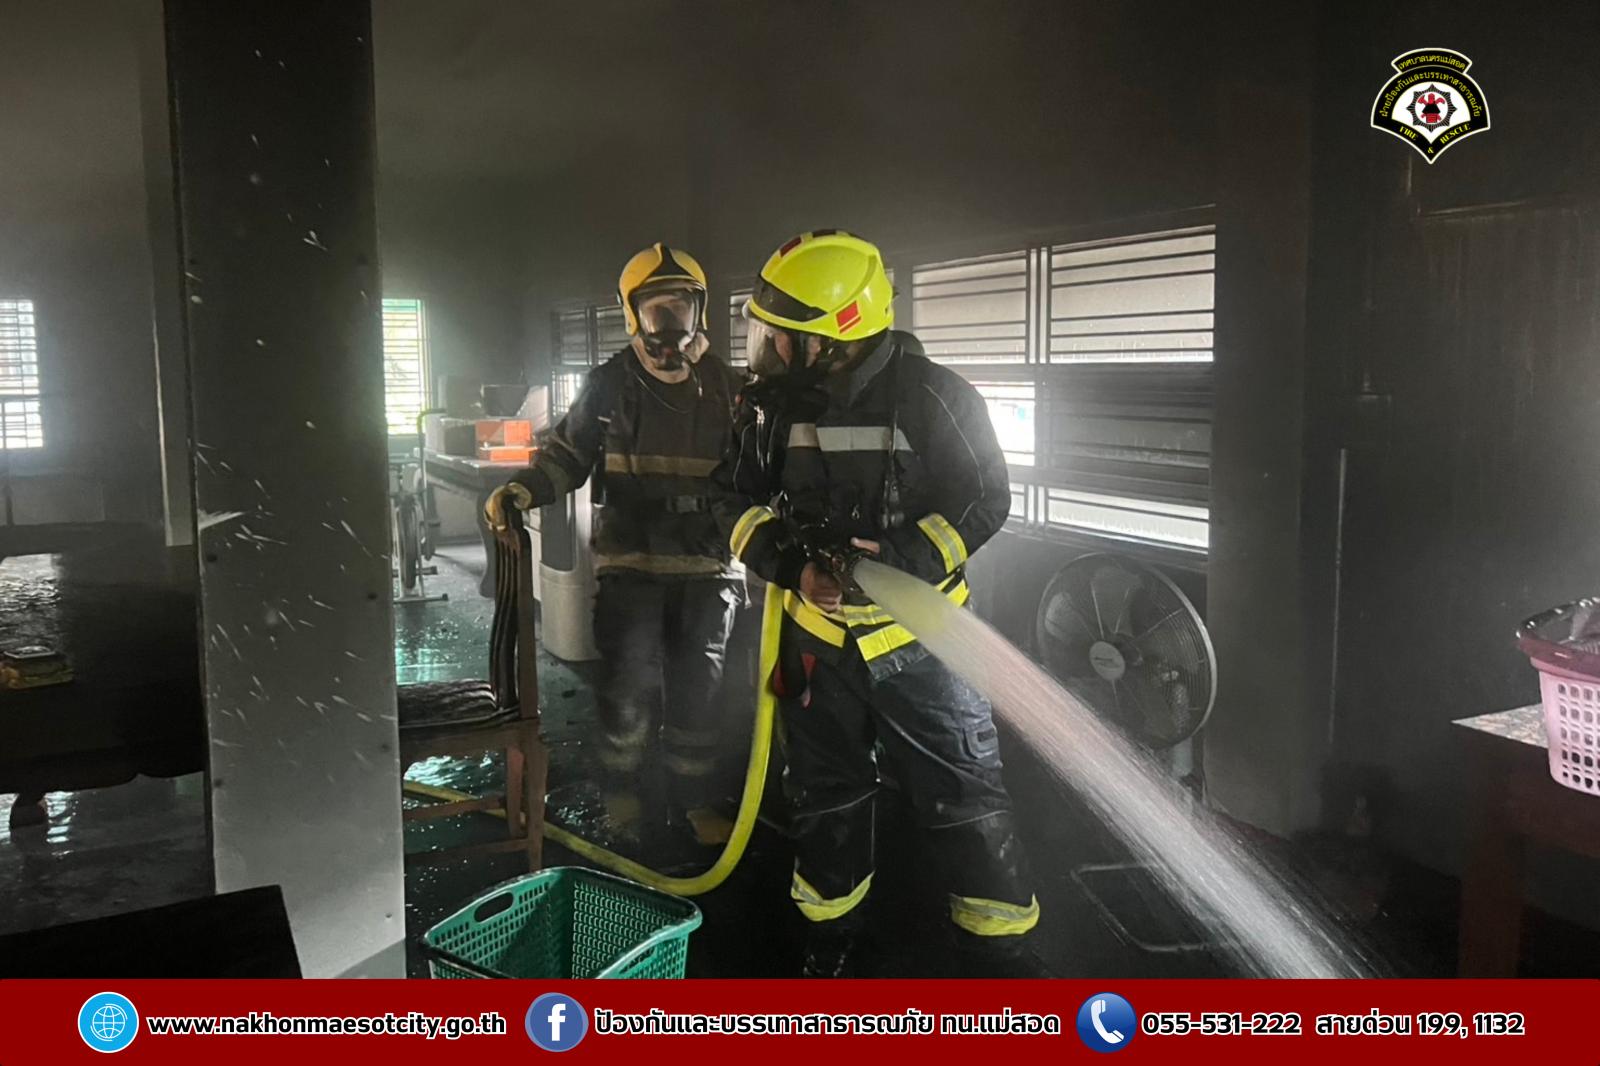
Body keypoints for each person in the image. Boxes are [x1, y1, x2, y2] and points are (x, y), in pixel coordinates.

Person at [713, 229, 1040, 976]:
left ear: (835, 338)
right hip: (814, 639)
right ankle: (829, 939)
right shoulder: (769, 408)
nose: (769, 351)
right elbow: (729, 499)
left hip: (926, 642)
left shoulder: (936, 397)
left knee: (963, 793)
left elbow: (985, 500)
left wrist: (900, 560)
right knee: (823, 796)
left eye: (784, 337)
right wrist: (793, 567)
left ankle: (999, 952)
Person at [486, 243, 742, 844]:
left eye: (680, 308)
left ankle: (695, 800)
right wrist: (523, 489)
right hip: (632, 562)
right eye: (657, 310)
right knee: (625, 688)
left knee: (699, 693)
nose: (670, 324)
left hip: (709, 565)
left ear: (700, 311)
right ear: (633, 314)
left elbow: (760, 464)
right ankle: (622, 793)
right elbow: (567, 455)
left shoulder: (728, 387)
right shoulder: (609, 384)